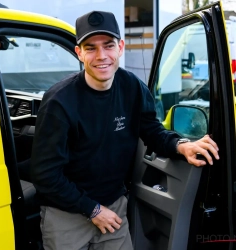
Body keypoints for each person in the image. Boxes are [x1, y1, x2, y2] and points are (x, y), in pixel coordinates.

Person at [30, 10, 219, 250]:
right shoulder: (59, 102)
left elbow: (152, 131)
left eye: (108, 46)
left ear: (120, 47)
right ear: (79, 53)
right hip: (66, 214)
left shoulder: (132, 87)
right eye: (91, 48)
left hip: (113, 206)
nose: (101, 56)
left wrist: (181, 145)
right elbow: (45, 175)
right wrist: (93, 210)